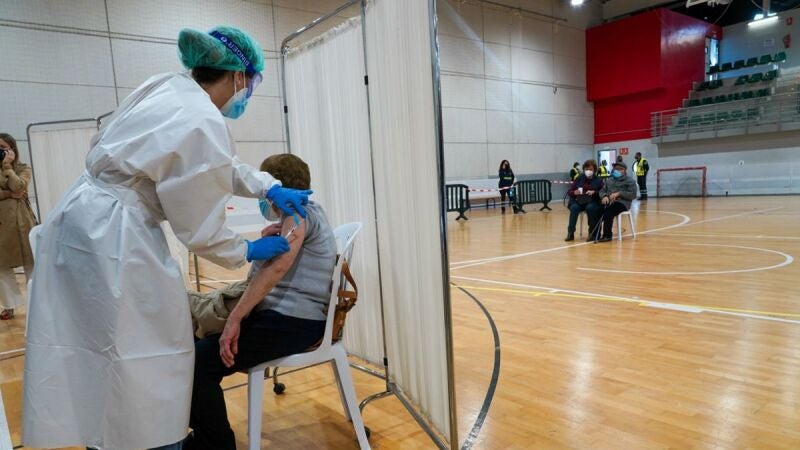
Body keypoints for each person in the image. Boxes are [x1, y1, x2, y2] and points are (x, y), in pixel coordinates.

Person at [23, 26, 312, 450]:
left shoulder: (167, 87)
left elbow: (217, 164)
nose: (247, 92)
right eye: (251, 83)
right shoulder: (201, 118)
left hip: (84, 220)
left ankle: (106, 437)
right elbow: (198, 222)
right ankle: (142, 441)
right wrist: (245, 248)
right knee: (144, 349)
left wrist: (268, 186)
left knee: (96, 347)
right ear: (238, 75)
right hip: (113, 236)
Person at [185, 154, 336, 450]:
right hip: (285, 318)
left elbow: (276, 270)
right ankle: (205, 437)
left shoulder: (298, 216)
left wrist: (235, 319)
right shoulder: (301, 214)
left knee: (198, 362)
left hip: (293, 322)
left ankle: (215, 444)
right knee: (191, 346)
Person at [0, 133, 36, 320]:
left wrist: (7, 166)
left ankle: (35, 305)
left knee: (30, 263)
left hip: (22, 222)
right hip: (1, 224)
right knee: (1, 266)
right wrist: (8, 194)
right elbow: (13, 191)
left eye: (3, 147)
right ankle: (9, 305)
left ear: (12, 149)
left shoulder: (23, 168)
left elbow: (19, 187)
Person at [597, 161, 638, 242]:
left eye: (620, 169)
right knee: (597, 209)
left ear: (624, 170)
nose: (617, 171)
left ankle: (607, 235)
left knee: (609, 211)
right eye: (616, 169)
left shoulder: (630, 181)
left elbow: (633, 195)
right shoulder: (609, 180)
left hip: (622, 203)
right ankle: (595, 234)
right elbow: (602, 191)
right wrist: (604, 196)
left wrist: (619, 193)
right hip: (609, 201)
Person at [565, 159, 603, 242]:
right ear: (584, 169)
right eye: (586, 169)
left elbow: (602, 191)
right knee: (574, 208)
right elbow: (569, 191)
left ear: (594, 170)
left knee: (590, 208)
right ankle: (570, 233)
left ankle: (592, 233)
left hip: (593, 200)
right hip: (580, 201)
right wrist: (574, 192)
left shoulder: (599, 180)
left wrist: (594, 192)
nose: (588, 171)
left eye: (591, 169)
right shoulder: (579, 178)